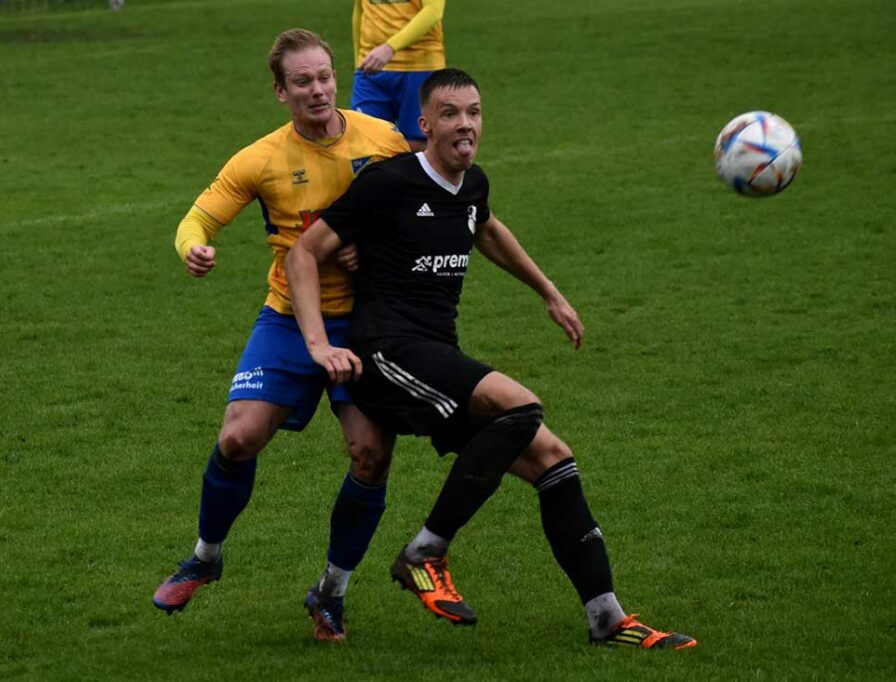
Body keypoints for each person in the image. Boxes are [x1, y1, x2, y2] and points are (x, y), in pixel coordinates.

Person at [286, 68, 698, 650]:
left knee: (554, 458)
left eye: (474, 112)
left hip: (435, 355)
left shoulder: (472, 184)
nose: (465, 124)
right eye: (451, 114)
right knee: (520, 405)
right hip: (386, 354)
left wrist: (549, 293)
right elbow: (303, 254)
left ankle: (608, 618)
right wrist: (317, 345)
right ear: (424, 124)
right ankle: (425, 551)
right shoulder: (390, 183)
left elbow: (486, 230)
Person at [152, 28, 409, 643]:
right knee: (238, 438)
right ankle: (206, 557)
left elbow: (422, 220)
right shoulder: (261, 159)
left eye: (324, 75)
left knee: (370, 456)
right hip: (290, 319)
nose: (317, 89)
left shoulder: (385, 141)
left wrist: (371, 251)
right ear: (280, 92)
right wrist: (194, 247)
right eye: (302, 81)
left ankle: (331, 593)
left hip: (370, 323)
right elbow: (198, 215)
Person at [352, 0, 445, 151]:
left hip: (420, 66)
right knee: (365, 142)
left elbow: (433, 12)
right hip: (371, 67)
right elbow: (360, 10)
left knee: (418, 145)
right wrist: (359, 61)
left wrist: (391, 47)